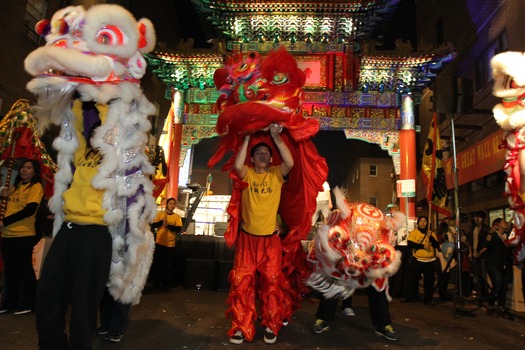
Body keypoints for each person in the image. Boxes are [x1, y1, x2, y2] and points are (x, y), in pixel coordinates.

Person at [227, 123, 294, 345]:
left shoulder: (276, 175)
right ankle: (240, 326)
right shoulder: (247, 174)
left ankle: (270, 324)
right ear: (252, 159)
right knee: (242, 284)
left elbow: (290, 163)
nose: (263, 156)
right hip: (247, 241)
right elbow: (237, 164)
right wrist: (246, 138)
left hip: (270, 242)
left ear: (271, 159)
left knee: (272, 284)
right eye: (258, 153)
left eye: (266, 153)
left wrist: (276, 136)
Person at [0, 159, 44, 315]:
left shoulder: (36, 187)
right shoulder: (14, 187)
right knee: (10, 270)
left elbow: (29, 210)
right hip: (7, 234)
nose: (24, 170)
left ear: (34, 171)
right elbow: (8, 208)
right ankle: (8, 303)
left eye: (28, 168)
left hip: (23, 234)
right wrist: (3, 196)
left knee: (24, 269)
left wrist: (5, 221)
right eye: (23, 168)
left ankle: (28, 303)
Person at [312, 287, 397, 342]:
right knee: (334, 278)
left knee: (378, 282)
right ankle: (323, 318)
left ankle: (383, 324)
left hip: (369, 260)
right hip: (344, 259)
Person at [404, 216, 441, 305]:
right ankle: (413, 297)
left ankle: (428, 299)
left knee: (429, 281)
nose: (423, 223)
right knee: (413, 280)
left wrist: (430, 237)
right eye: (421, 221)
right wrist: (422, 246)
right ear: (418, 223)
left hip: (430, 260)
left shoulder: (431, 233)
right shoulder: (414, 232)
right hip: (418, 259)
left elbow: (436, 244)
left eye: (425, 221)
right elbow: (410, 243)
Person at [484, 218, 514, 319]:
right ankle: (490, 306)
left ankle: (501, 307)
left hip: (505, 264)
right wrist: (490, 233)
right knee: (497, 285)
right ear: (498, 225)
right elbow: (487, 244)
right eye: (504, 222)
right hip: (494, 264)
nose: (506, 223)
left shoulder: (507, 236)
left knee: (503, 287)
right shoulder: (494, 235)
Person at [150, 197, 182, 291]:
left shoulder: (177, 217)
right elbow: (153, 225)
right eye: (170, 203)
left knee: (168, 265)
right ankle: (156, 283)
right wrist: (161, 223)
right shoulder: (161, 214)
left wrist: (168, 225)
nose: (172, 205)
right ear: (167, 205)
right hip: (159, 243)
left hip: (170, 244)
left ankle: (165, 284)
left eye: (173, 204)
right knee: (158, 264)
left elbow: (178, 229)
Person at [466, 211, 490, 301]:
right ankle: (480, 294)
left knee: (483, 275)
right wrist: (471, 252)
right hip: (474, 254)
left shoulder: (486, 229)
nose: (477, 219)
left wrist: (480, 252)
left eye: (479, 217)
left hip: (482, 255)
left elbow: (487, 244)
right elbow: (471, 241)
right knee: (477, 275)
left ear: (483, 219)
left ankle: (485, 294)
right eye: (475, 217)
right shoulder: (473, 228)